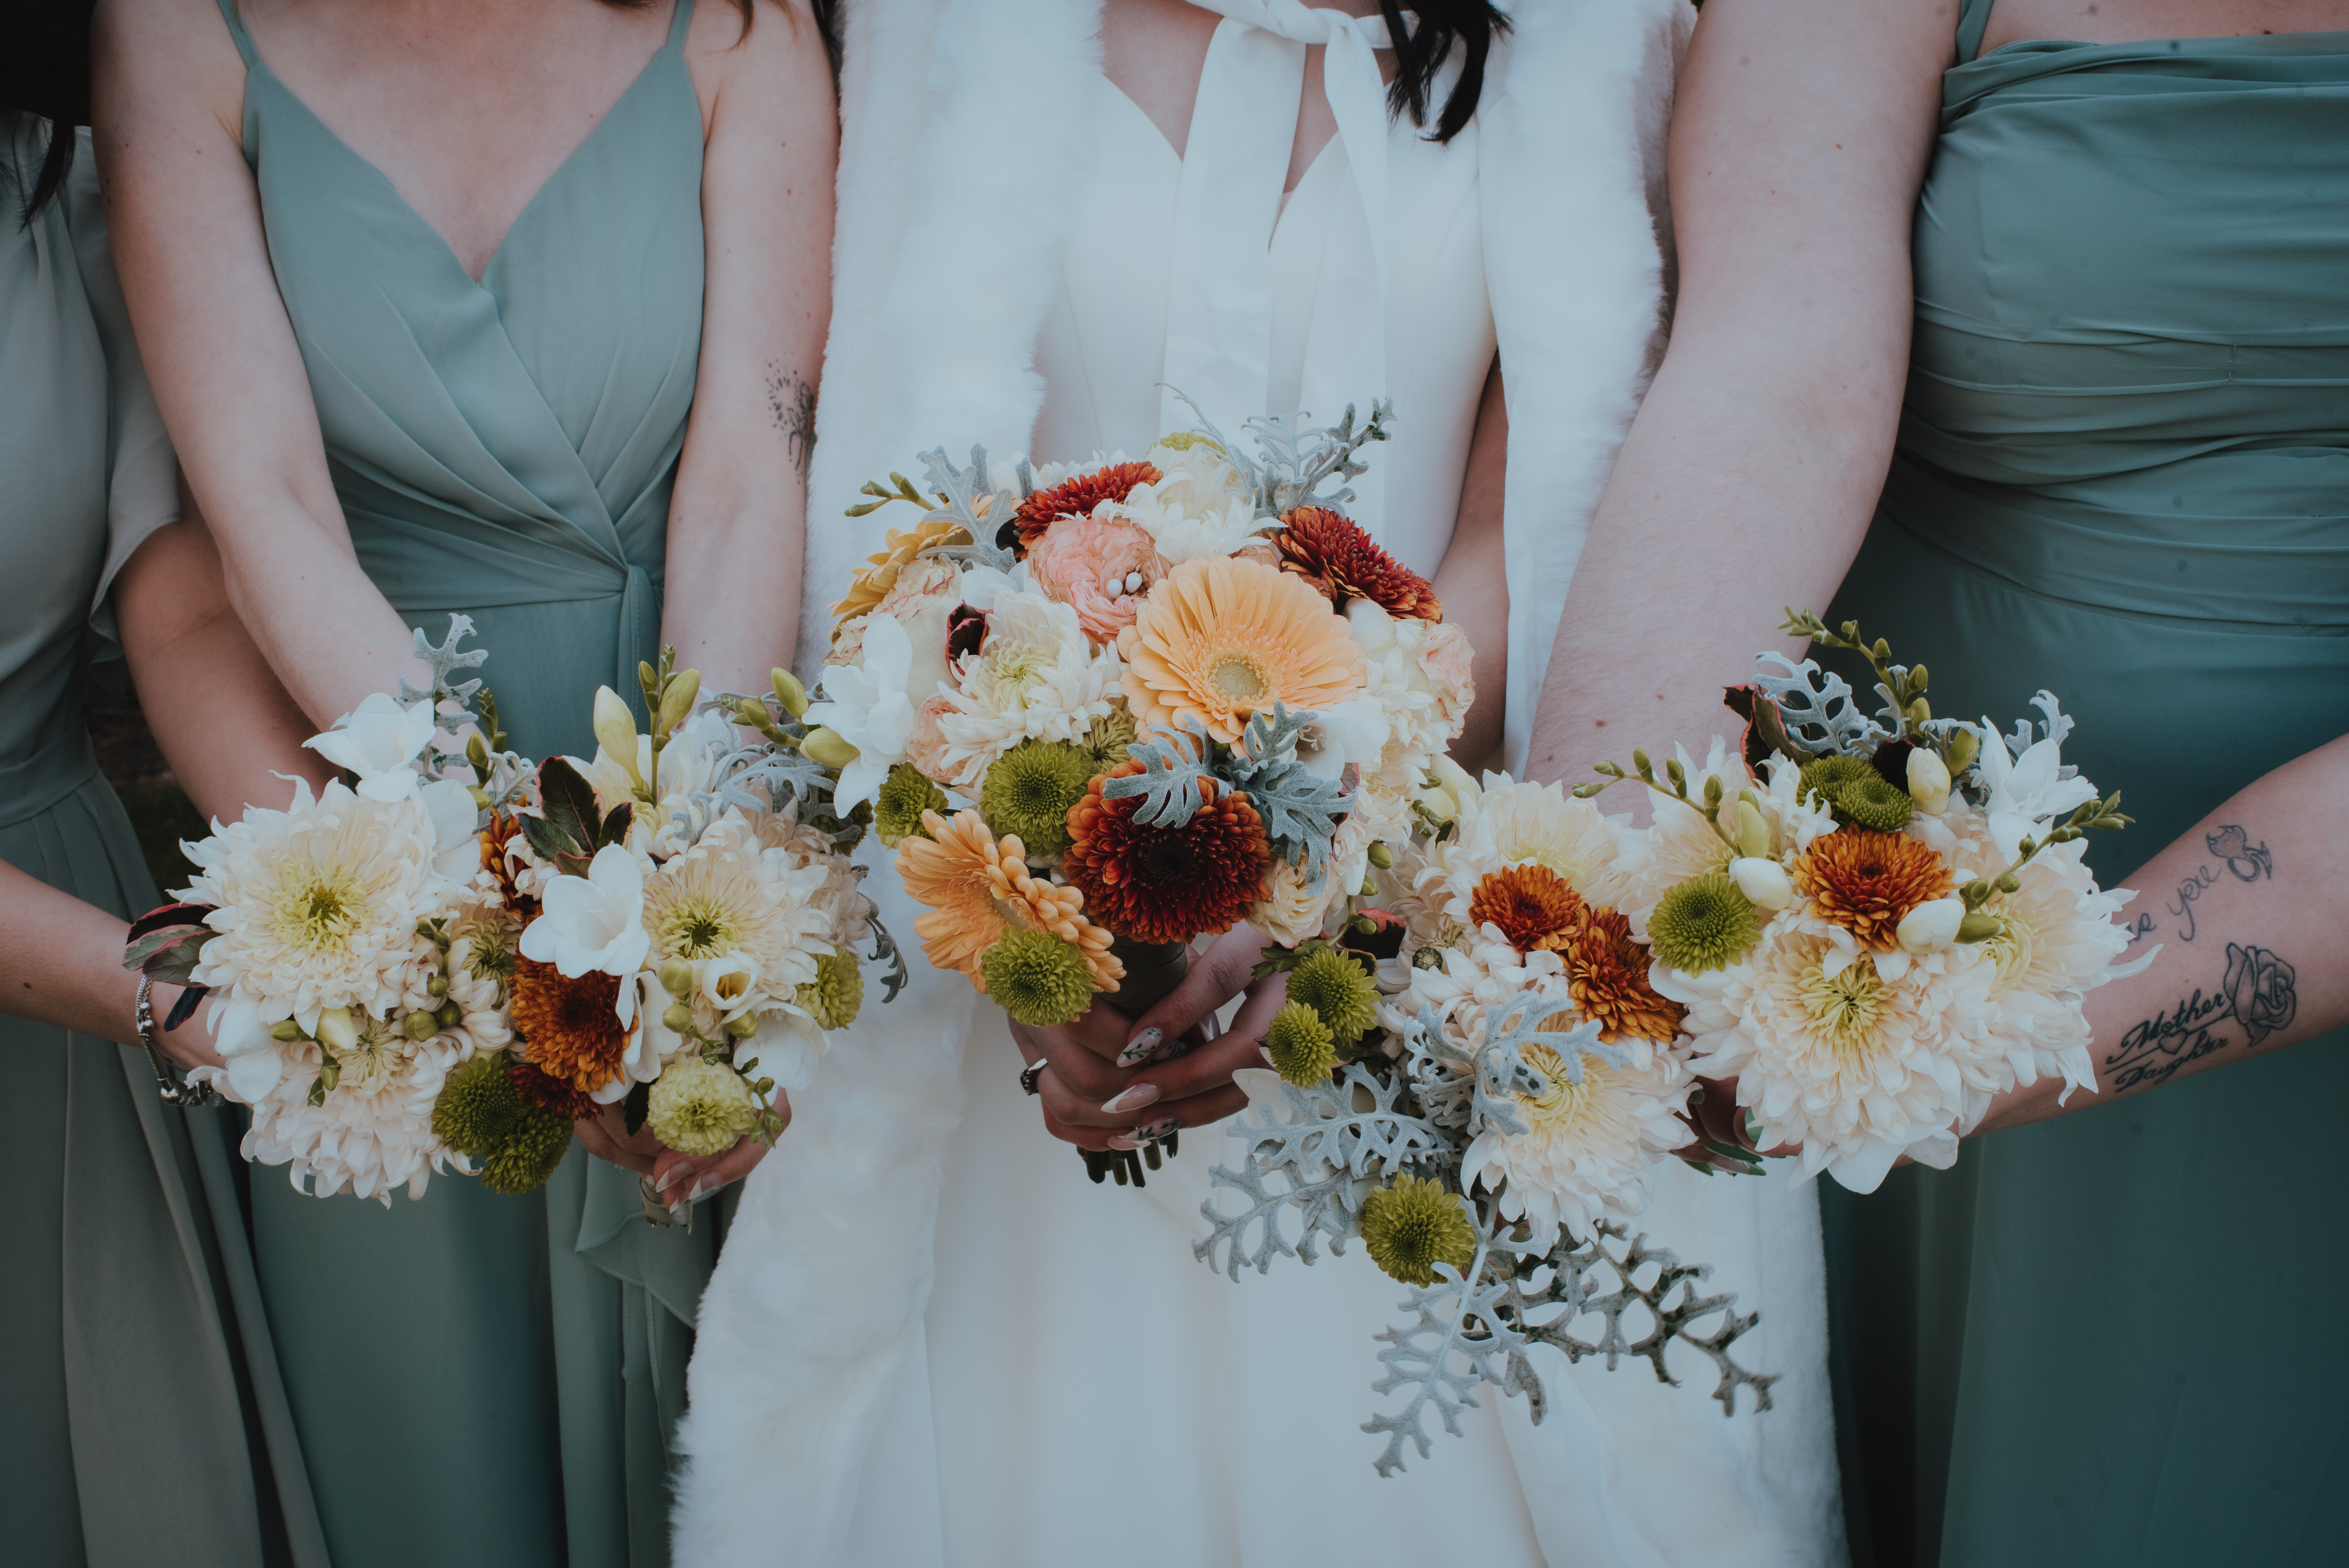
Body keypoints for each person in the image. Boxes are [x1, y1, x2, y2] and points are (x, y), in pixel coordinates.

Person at [678, 2, 1845, 1563]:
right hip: (1024, 972)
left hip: (1413, 916)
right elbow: (891, 506)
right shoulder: (949, 28)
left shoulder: (1578, 31)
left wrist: (1322, 803)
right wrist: (1019, 904)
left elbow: (1558, 501)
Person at [1524, 0, 2349, 1561]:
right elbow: (1772, 381)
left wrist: (1938, 1052)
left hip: (2009, 1019)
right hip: (1890, 959)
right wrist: (1587, 899)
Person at [92, 0, 837, 1561]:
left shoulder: (744, 32)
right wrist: (510, 899)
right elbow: (264, 507)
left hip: (690, 759)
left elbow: (746, 477)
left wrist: (693, 907)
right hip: (364, 834)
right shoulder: (179, 31)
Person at [1, 24, 330, 1560]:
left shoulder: (46, 172)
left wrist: (368, 910)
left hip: (71, 980)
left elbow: (176, 578)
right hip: (99, 981)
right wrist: (183, 1001)